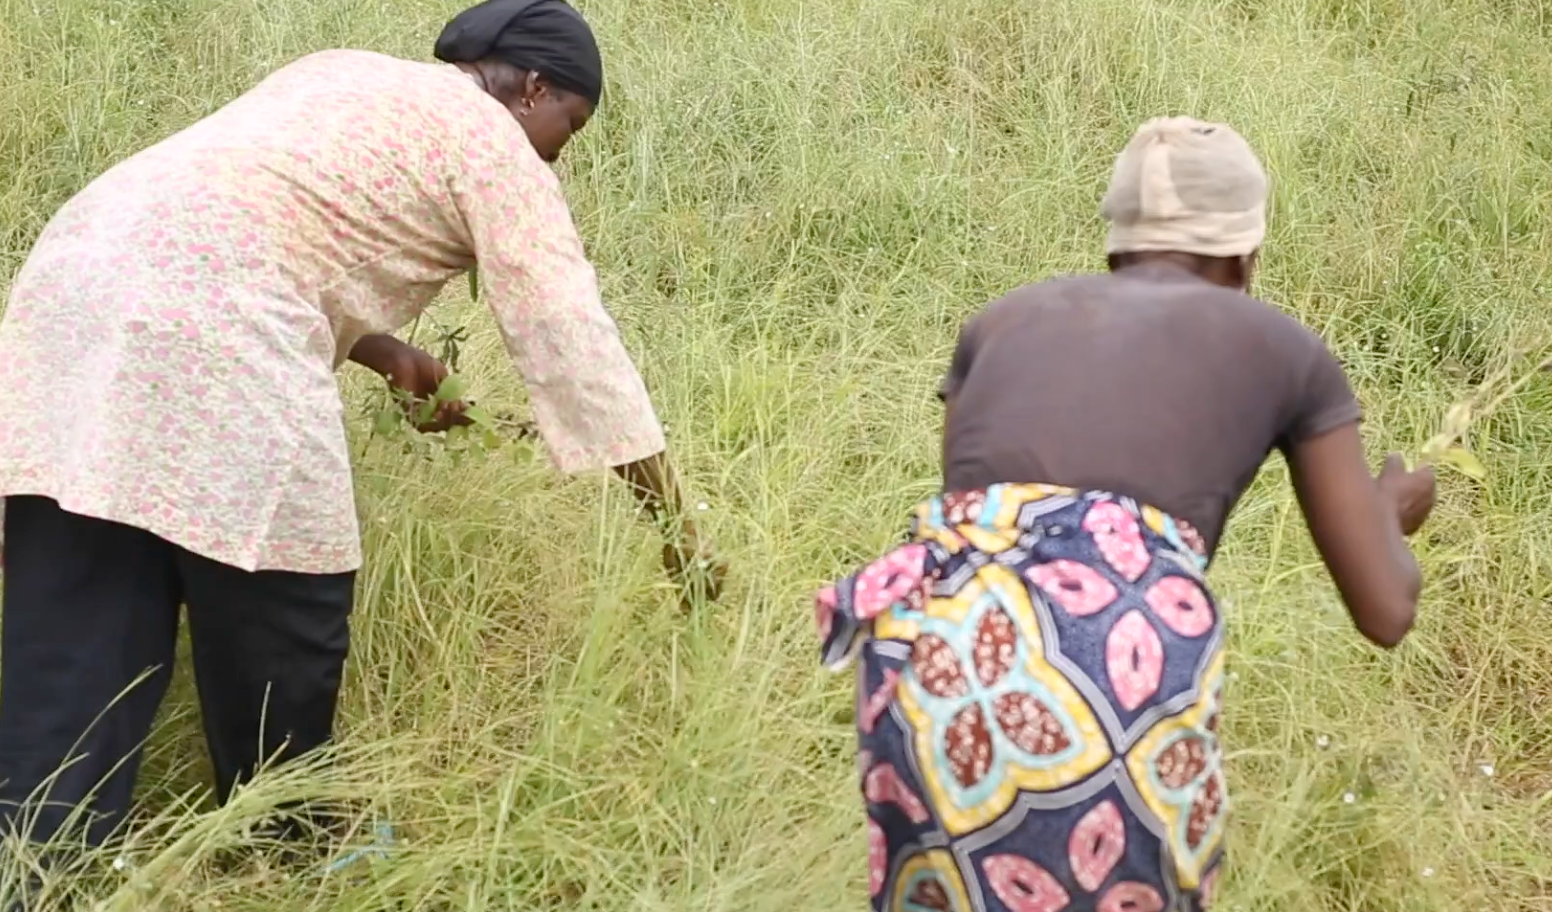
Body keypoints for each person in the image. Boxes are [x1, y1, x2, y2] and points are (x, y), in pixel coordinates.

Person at [0, 0, 722, 851]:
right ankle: (291, 845)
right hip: (220, 329)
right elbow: (575, 347)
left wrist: (384, 352)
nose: (561, 150)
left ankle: (32, 858)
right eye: (571, 123)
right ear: (532, 87)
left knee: (81, 611)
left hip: (68, 295)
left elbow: (245, 223)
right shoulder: (495, 145)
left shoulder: (337, 71)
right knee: (287, 602)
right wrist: (677, 529)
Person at [814, 118, 1436, 912]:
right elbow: (1385, 610)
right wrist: (1390, 511)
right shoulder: (1284, 347)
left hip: (928, 662)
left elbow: (1001, 543)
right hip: (1110, 669)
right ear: (1247, 253)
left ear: (1116, 242)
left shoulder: (1000, 322)